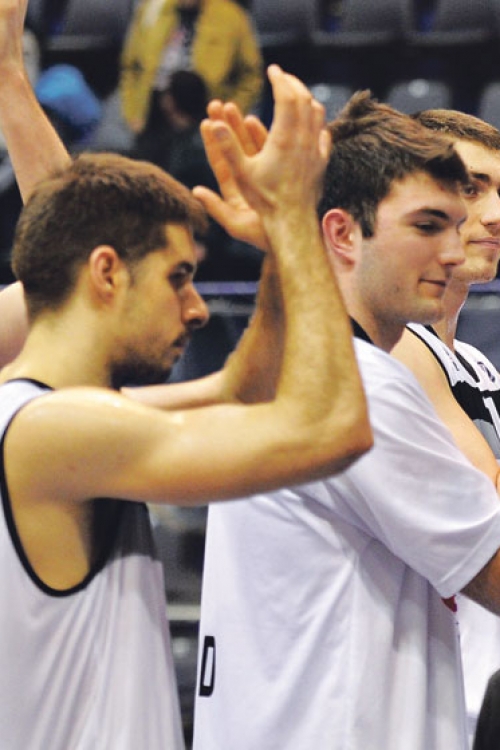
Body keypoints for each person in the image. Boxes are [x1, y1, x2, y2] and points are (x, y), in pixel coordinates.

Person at [0, 4, 373, 746]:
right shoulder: (53, 431)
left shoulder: (57, 415)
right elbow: (332, 430)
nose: (199, 309)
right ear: (106, 274)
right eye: (178, 278)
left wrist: (278, 251)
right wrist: (297, 219)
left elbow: (244, 390)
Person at [190, 94, 500, 750]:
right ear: (340, 233)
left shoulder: (315, 363)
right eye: (427, 226)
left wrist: (285, 236)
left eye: (455, 225)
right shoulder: (356, 382)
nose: (454, 251)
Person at [391, 109, 500, 745]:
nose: (496, 214)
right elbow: (488, 500)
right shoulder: (394, 349)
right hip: (434, 691)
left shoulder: (476, 361)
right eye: (472, 188)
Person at [119, 0, 263, 136]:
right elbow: (130, 67)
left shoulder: (231, 16)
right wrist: (132, 113)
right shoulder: (152, 10)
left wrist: (228, 116)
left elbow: (251, 76)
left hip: (205, 111)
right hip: (152, 112)